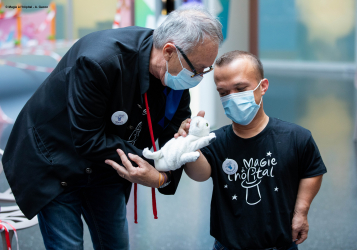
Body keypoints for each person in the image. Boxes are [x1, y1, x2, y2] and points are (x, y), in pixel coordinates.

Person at [2, 6, 222, 250]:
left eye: (206, 70)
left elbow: (174, 138)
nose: (200, 77)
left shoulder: (174, 74)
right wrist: (152, 166)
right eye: (198, 68)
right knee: (68, 245)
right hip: (56, 158)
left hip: (110, 163)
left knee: (115, 244)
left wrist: (177, 152)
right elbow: (88, 139)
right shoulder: (100, 61)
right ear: (169, 51)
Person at [183, 51, 327, 250]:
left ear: (263, 87)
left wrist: (301, 212)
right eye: (223, 93)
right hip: (228, 246)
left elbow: (312, 170)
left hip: (281, 245)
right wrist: (191, 144)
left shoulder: (296, 137)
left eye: (240, 88)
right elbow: (199, 174)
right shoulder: (215, 141)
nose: (232, 98)